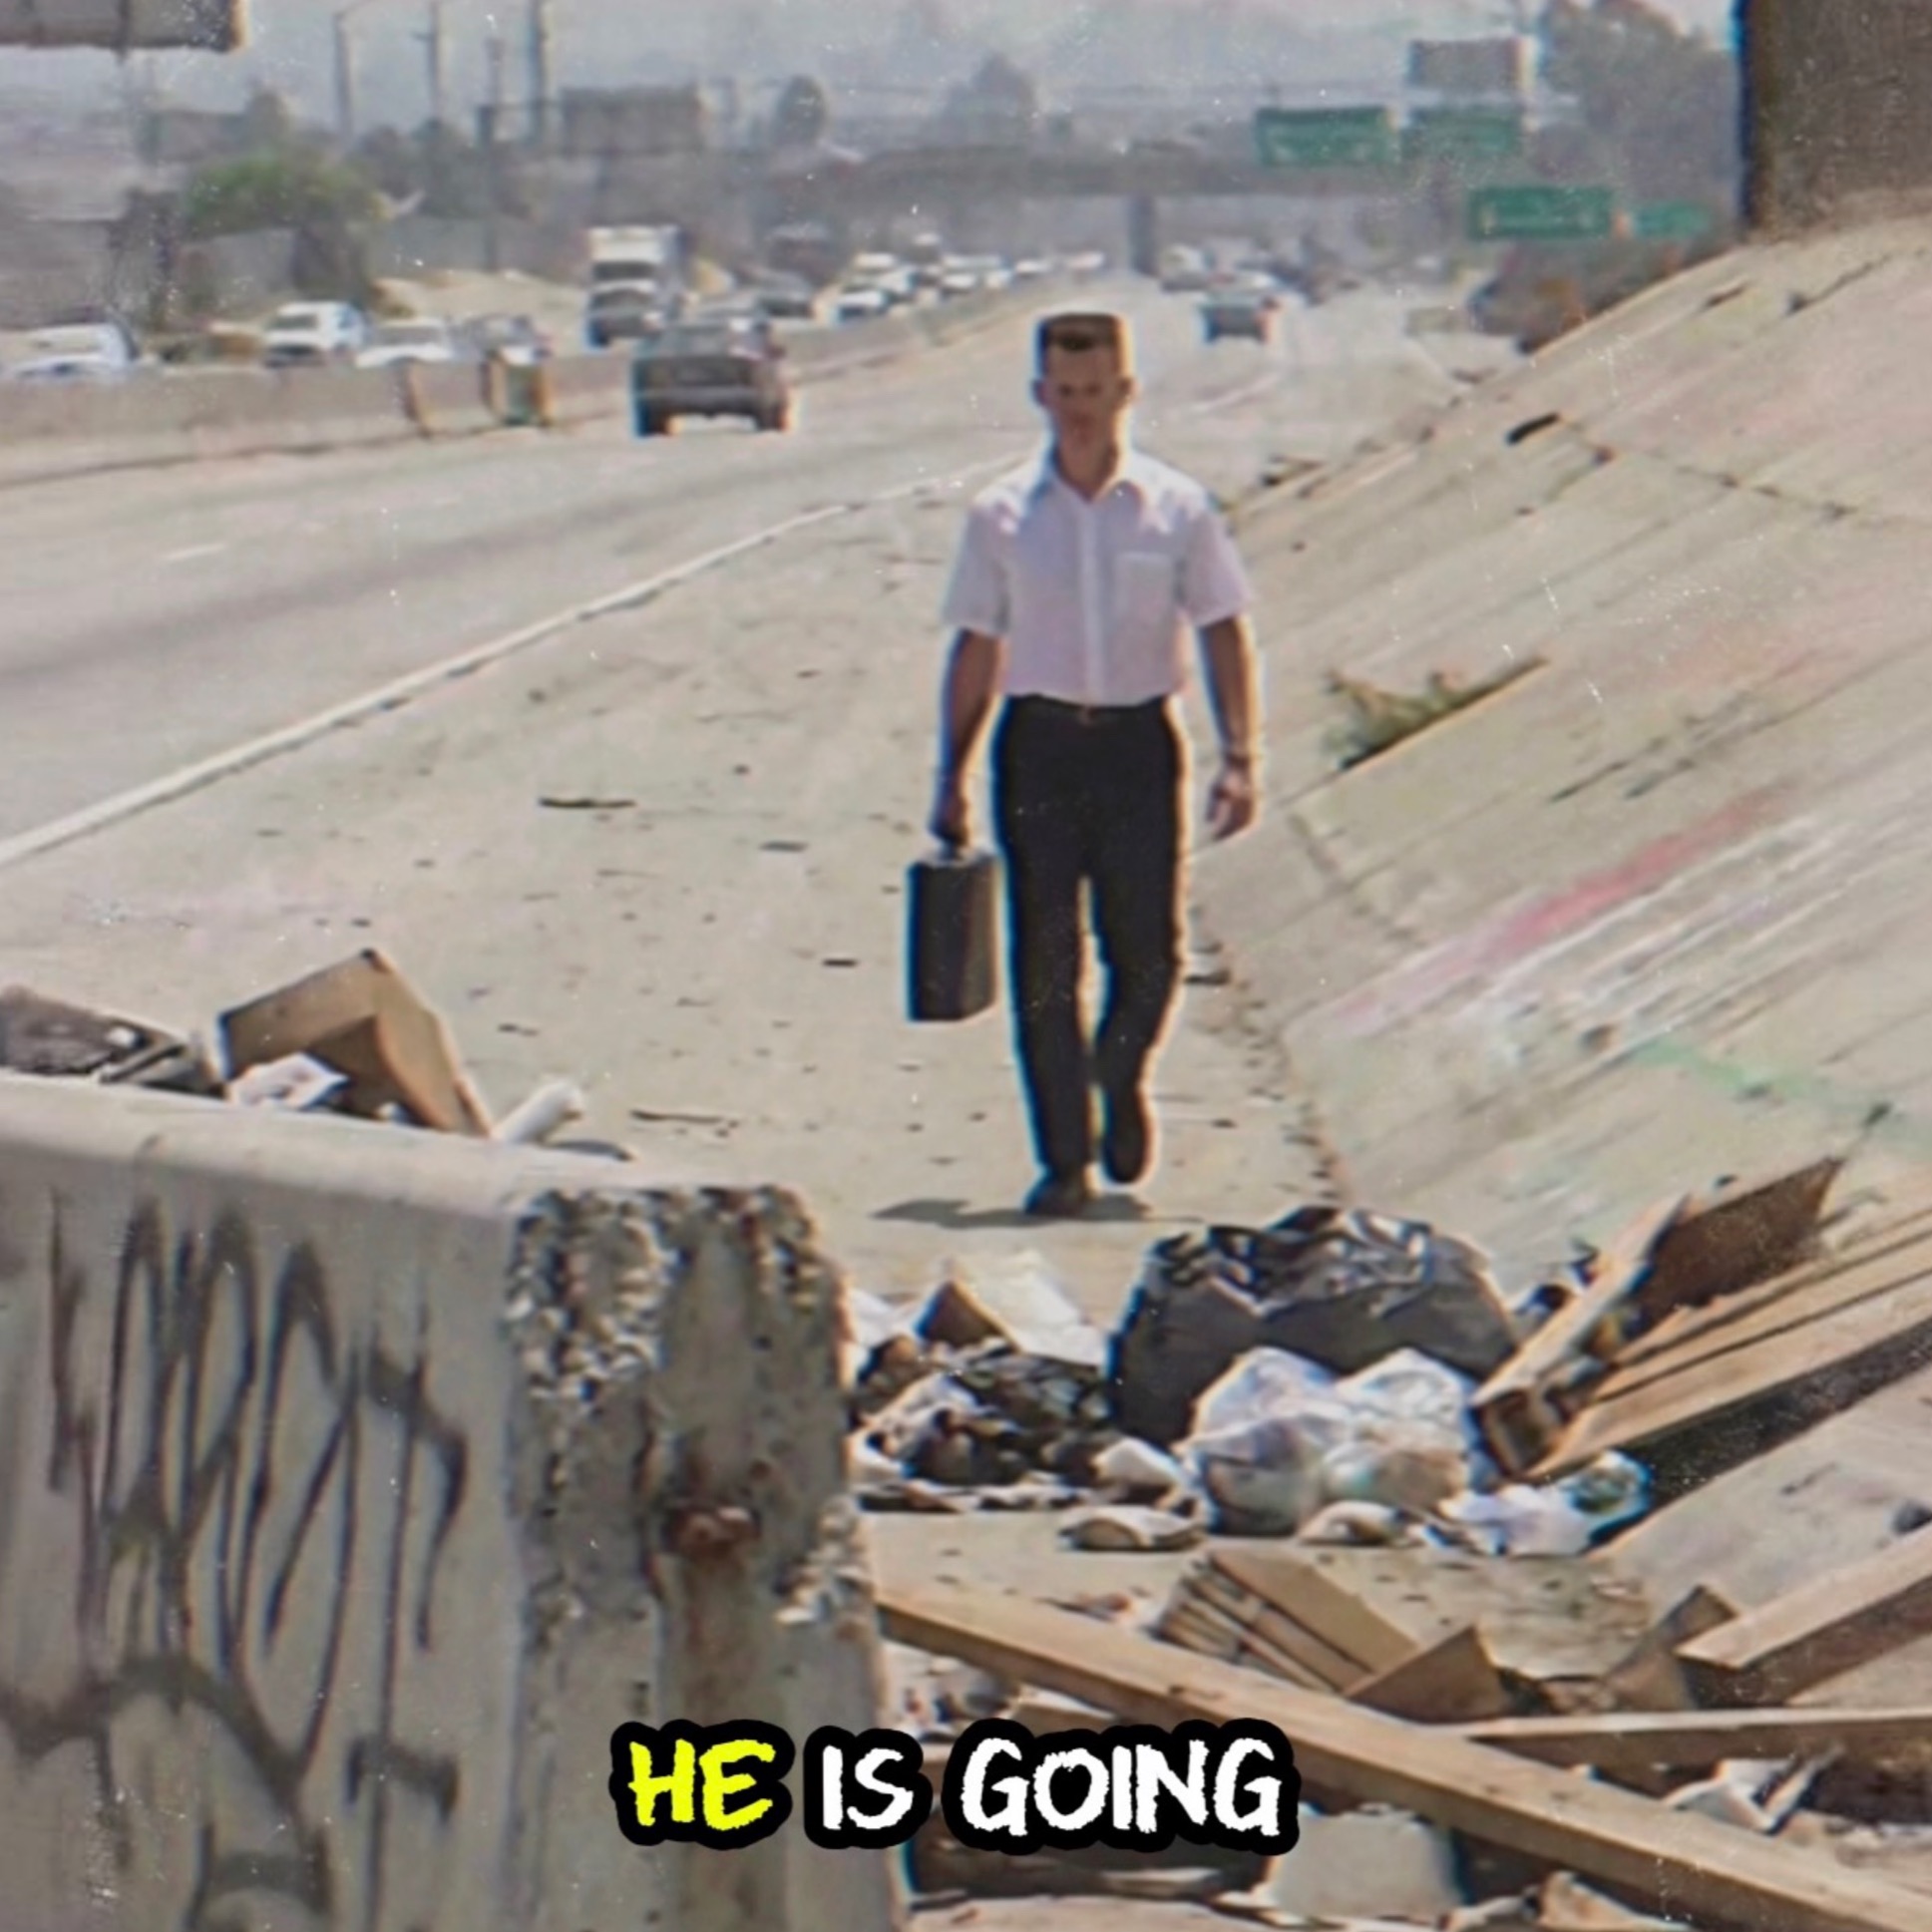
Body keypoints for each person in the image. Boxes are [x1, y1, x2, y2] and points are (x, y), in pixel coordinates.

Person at [930, 310, 1264, 1220]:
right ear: (1040, 395)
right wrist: (950, 773)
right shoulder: (1001, 516)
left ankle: (1116, 1075)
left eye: (1095, 392)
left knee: (1147, 952)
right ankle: (1064, 1158)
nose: (1080, 410)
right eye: (1065, 393)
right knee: (1044, 959)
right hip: (1037, 746)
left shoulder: (1177, 509)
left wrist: (1239, 756)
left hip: (1136, 747)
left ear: (1125, 392)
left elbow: (1221, 628)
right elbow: (976, 646)